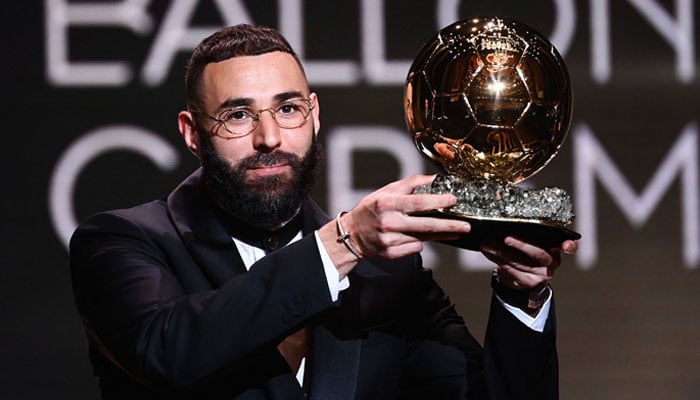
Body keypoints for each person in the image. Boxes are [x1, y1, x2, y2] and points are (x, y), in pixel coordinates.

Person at [70, 24, 577, 400]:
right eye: (239, 115)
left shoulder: (388, 273)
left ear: (314, 115)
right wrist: (345, 243)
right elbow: (169, 353)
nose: (269, 138)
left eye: (288, 109)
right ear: (191, 132)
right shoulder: (121, 242)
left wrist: (520, 296)